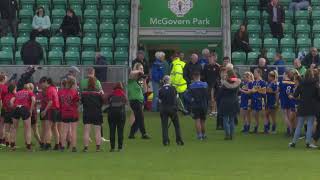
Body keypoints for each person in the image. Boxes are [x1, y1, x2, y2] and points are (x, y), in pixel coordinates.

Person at [289, 69, 319, 148]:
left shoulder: (301, 83)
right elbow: (318, 95)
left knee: (299, 125)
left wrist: (292, 96)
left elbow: (295, 95)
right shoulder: (315, 83)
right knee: (309, 125)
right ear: (312, 75)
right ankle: (308, 143)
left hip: (302, 105)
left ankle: (294, 142)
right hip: (312, 106)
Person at [158, 75, 184, 146]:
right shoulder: (173, 88)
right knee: (176, 125)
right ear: (169, 81)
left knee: (164, 126)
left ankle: (165, 141)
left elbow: (160, 101)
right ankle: (179, 140)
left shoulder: (160, 90)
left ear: (163, 81)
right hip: (173, 109)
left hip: (164, 109)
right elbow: (177, 98)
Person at [10, 83, 36, 151]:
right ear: (29, 88)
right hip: (24, 108)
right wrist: (30, 110)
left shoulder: (18, 92)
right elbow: (33, 100)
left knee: (14, 128)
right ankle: (28, 147)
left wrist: (14, 107)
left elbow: (11, 101)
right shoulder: (29, 93)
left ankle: (12, 146)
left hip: (16, 108)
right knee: (28, 129)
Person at [81, 74, 104, 152]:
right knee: (97, 130)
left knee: (86, 130)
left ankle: (86, 148)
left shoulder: (84, 93)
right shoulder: (98, 93)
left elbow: (82, 102)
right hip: (97, 112)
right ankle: (98, 148)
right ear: (95, 83)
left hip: (87, 112)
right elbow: (102, 102)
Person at [127, 63, 150, 139]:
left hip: (140, 100)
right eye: (140, 68)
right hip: (134, 100)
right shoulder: (131, 78)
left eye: (142, 69)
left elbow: (144, 90)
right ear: (136, 69)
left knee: (137, 118)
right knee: (141, 117)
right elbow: (131, 73)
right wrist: (139, 72)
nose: (142, 70)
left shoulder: (139, 80)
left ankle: (131, 134)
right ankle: (144, 134)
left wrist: (144, 80)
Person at [217, 70, 241, 140]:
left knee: (225, 119)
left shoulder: (224, 84)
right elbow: (234, 79)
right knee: (232, 120)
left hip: (225, 102)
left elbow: (220, 94)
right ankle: (232, 135)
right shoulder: (238, 82)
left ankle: (227, 134)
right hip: (234, 102)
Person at [39, 77, 60, 151]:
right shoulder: (53, 88)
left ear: (45, 82)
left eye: (41, 83)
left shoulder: (50, 90)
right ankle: (57, 145)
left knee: (48, 128)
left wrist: (45, 110)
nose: (41, 85)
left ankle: (47, 144)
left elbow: (50, 102)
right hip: (56, 110)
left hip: (51, 110)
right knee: (54, 128)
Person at [59, 78, 79, 152]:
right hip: (73, 113)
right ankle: (73, 147)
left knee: (64, 130)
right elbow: (77, 103)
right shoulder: (74, 92)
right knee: (73, 130)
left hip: (64, 113)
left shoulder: (61, 92)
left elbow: (60, 102)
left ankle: (63, 146)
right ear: (73, 84)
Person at [106, 83, 127, 152]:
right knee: (120, 131)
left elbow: (106, 100)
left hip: (111, 114)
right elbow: (126, 102)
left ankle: (112, 148)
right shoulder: (123, 94)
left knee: (112, 131)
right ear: (121, 87)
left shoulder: (112, 94)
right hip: (121, 114)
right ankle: (120, 148)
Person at [189, 71, 209, 140]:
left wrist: (191, 101)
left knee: (197, 120)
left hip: (195, 105)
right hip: (203, 105)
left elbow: (188, 96)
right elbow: (207, 96)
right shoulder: (205, 84)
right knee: (203, 120)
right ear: (199, 76)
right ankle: (203, 134)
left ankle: (199, 135)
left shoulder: (191, 86)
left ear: (194, 77)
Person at [249, 68, 267, 133]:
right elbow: (252, 90)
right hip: (254, 99)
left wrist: (257, 90)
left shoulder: (262, 82)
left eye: (255, 72)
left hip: (260, 100)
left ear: (259, 73)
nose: (254, 74)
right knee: (254, 114)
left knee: (263, 114)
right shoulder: (254, 82)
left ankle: (266, 128)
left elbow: (264, 92)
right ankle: (256, 127)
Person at [279, 70, 296, 136]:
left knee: (285, 115)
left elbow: (279, 91)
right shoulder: (293, 83)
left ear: (286, 75)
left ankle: (289, 130)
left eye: (283, 74)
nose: (283, 75)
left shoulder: (282, 82)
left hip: (284, 99)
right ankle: (292, 129)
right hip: (290, 100)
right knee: (289, 115)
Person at [0, 73, 8, 146]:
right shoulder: (3, 87)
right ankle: (2, 139)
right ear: (3, 79)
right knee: (3, 124)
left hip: (3, 107)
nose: (7, 79)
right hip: (3, 107)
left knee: (2, 123)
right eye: (6, 78)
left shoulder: (4, 86)